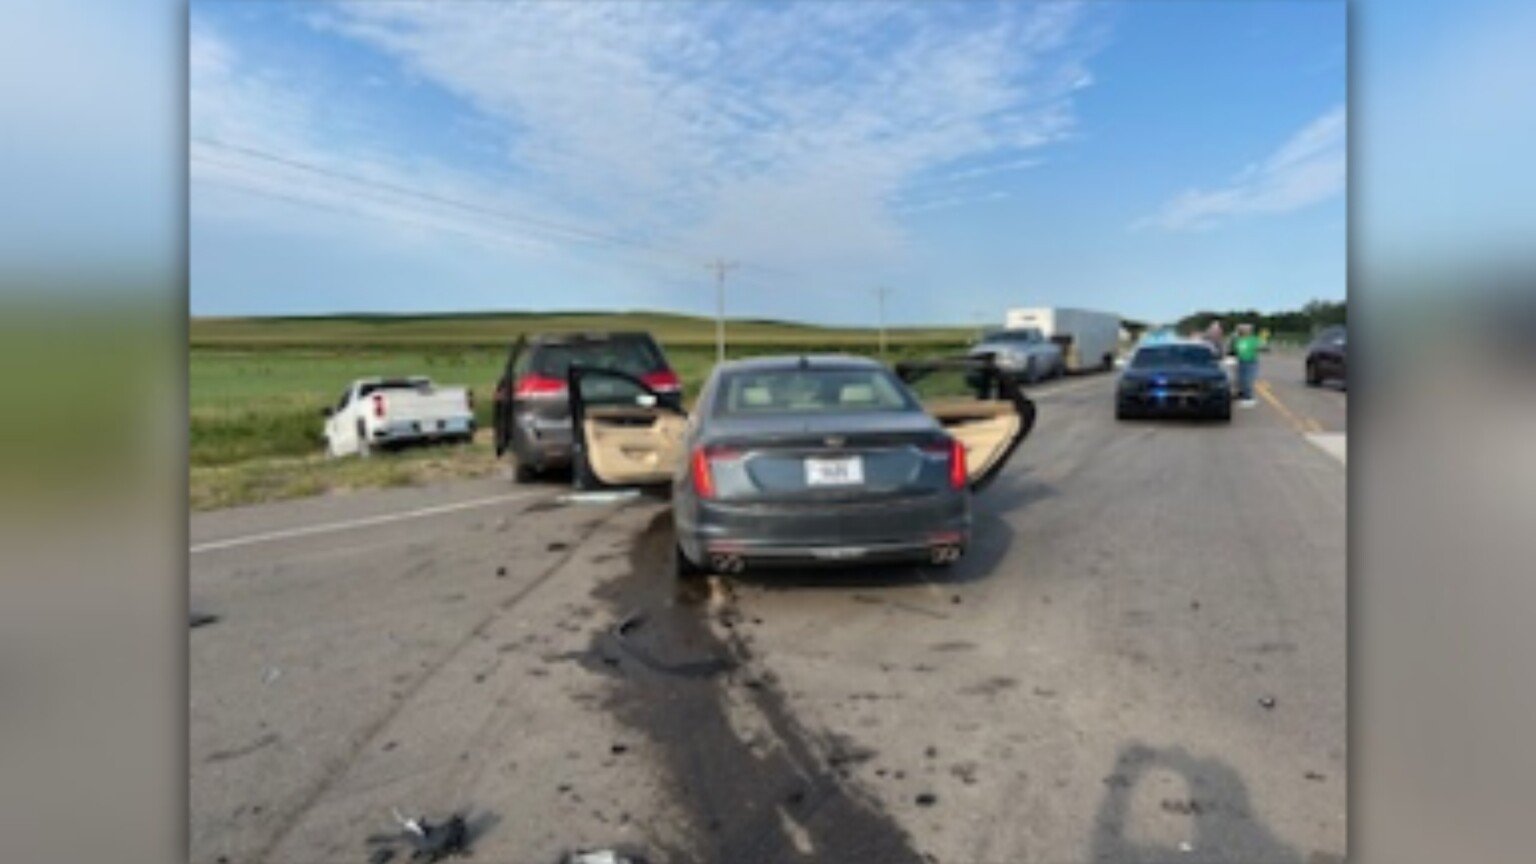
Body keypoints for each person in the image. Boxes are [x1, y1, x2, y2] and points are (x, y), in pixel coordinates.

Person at [1232, 323, 1263, 406]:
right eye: (1241, 330)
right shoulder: (1238, 339)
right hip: (1241, 361)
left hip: (1250, 362)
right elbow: (1235, 349)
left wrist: (1259, 346)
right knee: (1241, 379)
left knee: (1247, 380)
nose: (1241, 331)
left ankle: (1249, 397)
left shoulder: (1253, 339)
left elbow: (1260, 346)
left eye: (1244, 330)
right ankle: (1243, 395)